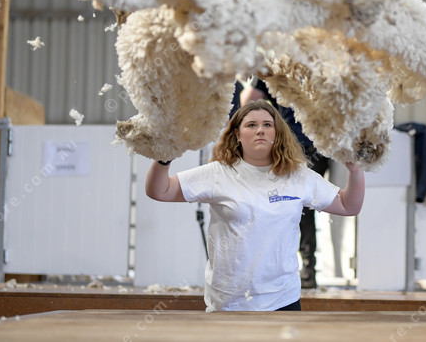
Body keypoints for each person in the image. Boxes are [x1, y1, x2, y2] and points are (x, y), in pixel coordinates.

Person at [145, 100, 364, 312]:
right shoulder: (218, 173)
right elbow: (160, 191)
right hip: (229, 304)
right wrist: (164, 158)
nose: (260, 130)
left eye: (267, 125)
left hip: (282, 301)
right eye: (251, 125)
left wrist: (355, 171)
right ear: (237, 135)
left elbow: (348, 206)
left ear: (277, 133)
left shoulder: (298, 176)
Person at [240, 78, 327, 289]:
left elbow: (248, 101)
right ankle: (308, 271)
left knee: (276, 205)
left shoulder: (273, 67)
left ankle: (273, 269)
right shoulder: (322, 65)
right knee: (305, 208)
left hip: (289, 145)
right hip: (319, 144)